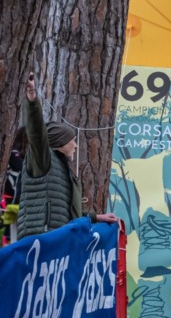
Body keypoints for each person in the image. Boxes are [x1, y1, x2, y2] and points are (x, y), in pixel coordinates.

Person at [16, 72, 119, 240]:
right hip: (39, 239)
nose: (76, 145)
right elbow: (36, 132)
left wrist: (96, 218)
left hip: (55, 239)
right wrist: (32, 98)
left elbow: (67, 212)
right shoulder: (42, 159)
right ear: (60, 141)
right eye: (73, 140)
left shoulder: (61, 166)